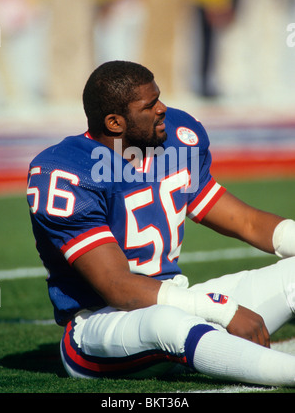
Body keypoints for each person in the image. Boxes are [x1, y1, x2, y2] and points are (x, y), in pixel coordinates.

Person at [27, 60, 295, 386]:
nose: (162, 109)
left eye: (159, 98)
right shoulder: (68, 170)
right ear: (114, 122)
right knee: (167, 322)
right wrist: (223, 310)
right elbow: (118, 287)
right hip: (104, 324)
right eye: (150, 105)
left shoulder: (171, 141)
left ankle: (210, 346)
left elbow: (247, 222)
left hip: (178, 300)